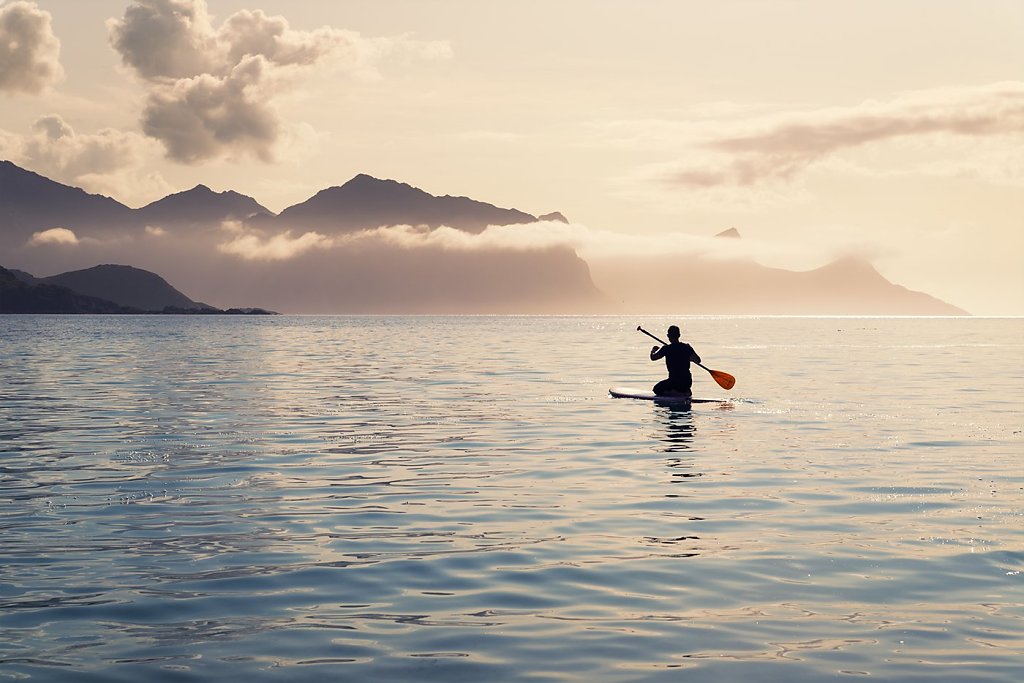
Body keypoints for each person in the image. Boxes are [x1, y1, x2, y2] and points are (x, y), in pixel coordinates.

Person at [650, 325, 701, 396]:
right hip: (687, 382)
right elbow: (698, 360)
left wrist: (653, 350)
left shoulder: (666, 349)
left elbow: (653, 357)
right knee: (678, 384)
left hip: (674, 382)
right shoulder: (687, 347)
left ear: (668, 336)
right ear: (679, 335)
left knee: (656, 389)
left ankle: (677, 393)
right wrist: (686, 358)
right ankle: (685, 391)